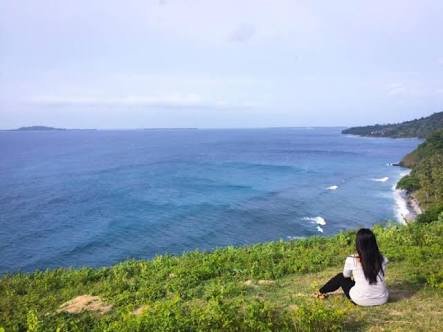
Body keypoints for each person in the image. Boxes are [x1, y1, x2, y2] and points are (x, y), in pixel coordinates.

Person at [315, 228, 389, 306]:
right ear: (374, 243)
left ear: (358, 244)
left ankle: (321, 292)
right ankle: (321, 292)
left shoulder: (352, 259)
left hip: (360, 300)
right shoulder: (383, 259)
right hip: (382, 299)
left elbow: (346, 275)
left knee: (341, 277)